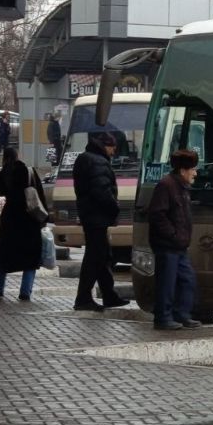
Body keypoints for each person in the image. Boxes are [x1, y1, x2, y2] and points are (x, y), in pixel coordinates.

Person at [72, 131, 129, 311]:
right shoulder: (98, 161)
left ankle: (109, 295)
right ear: (105, 146)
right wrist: (115, 207)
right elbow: (102, 191)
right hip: (97, 217)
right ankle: (83, 298)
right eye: (113, 148)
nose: (114, 152)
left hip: (89, 215)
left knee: (103, 255)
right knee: (95, 257)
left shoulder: (85, 158)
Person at [148, 149, 201, 330]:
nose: (195, 173)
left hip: (179, 245)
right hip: (167, 245)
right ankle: (163, 318)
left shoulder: (182, 188)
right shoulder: (166, 185)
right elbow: (157, 215)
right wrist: (173, 235)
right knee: (167, 284)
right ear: (183, 170)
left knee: (187, 280)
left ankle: (181, 314)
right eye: (193, 169)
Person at [0, 147, 48, 301]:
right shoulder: (28, 171)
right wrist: (44, 218)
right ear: (18, 156)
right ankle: (25, 292)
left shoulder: (2, 174)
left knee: (4, 254)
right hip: (29, 218)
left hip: (9, 218)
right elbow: (39, 194)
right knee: (30, 257)